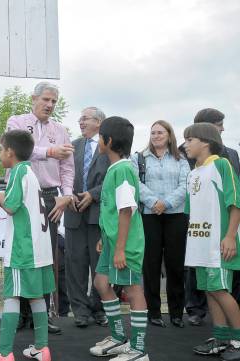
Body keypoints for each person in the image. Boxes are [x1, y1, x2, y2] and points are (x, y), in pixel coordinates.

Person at [0, 129, 54, 361]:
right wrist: (2, 198)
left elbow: (11, 206)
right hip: (39, 249)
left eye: (1, 149)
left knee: (12, 296)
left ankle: (4, 352)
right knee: (37, 296)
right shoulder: (29, 172)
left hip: (23, 249)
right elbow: (18, 206)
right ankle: (42, 347)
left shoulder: (18, 171)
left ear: (10, 152)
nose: (0, 153)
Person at [6, 81, 74, 334]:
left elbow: (68, 167)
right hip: (21, 195)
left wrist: (66, 195)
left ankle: (42, 315)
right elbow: (21, 150)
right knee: (23, 253)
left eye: (54, 101)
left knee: (46, 257)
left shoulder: (61, 130)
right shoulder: (16, 121)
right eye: (46, 99)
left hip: (49, 197)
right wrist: (50, 151)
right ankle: (21, 314)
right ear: (33, 98)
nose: (50, 105)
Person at [89, 116, 149, 361]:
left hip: (126, 245)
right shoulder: (115, 169)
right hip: (113, 242)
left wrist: (121, 248)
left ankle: (138, 349)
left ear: (108, 140)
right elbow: (113, 211)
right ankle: (117, 337)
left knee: (133, 290)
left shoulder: (123, 169)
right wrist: (106, 238)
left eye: (99, 136)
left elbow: (126, 210)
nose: (97, 141)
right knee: (101, 284)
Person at [182, 123, 240, 359]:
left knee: (220, 289)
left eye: (189, 140)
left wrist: (229, 236)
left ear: (204, 142)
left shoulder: (221, 164)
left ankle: (237, 339)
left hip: (219, 243)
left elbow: (235, 202)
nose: (185, 145)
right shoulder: (192, 173)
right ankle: (220, 337)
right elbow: (191, 211)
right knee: (209, 290)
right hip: (199, 244)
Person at [129, 120, 190, 328]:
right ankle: (153, 312)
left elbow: (185, 185)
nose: (156, 136)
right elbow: (136, 182)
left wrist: (167, 202)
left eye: (160, 132)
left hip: (176, 214)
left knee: (175, 264)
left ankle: (176, 313)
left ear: (170, 135)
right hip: (149, 214)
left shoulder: (181, 159)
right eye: (153, 132)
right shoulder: (138, 158)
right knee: (151, 264)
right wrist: (154, 202)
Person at [64, 106, 110, 328]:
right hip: (73, 214)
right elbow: (62, 175)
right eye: (79, 119)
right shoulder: (72, 146)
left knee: (99, 264)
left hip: (99, 216)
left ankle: (99, 308)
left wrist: (93, 195)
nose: (80, 122)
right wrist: (67, 195)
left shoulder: (108, 146)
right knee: (75, 265)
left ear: (99, 122)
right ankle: (80, 311)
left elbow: (113, 179)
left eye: (85, 119)